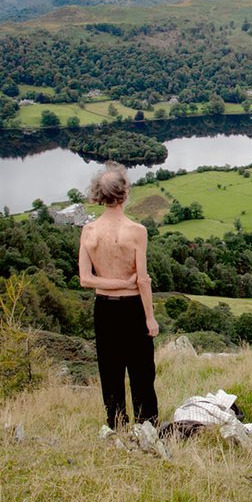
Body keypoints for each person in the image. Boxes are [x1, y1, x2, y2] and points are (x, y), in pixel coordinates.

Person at [78, 162, 159, 436]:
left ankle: (116, 426)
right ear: (125, 193)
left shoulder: (89, 231)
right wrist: (150, 318)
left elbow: (85, 279)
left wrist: (111, 284)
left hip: (104, 309)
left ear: (98, 194)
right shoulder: (137, 231)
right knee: (142, 371)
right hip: (134, 307)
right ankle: (147, 425)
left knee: (110, 370)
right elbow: (142, 279)